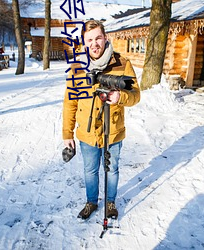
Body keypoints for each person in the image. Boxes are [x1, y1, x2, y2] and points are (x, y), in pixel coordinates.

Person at [62, 20, 140, 220]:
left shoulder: (122, 64)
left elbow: (136, 95)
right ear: (84, 42)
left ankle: (111, 202)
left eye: (98, 38)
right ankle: (91, 202)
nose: (94, 43)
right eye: (90, 39)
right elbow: (70, 103)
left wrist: (120, 97)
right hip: (87, 133)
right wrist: (67, 134)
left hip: (113, 130)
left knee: (112, 168)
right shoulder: (77, 68)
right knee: (90, 170)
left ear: (105, 38)